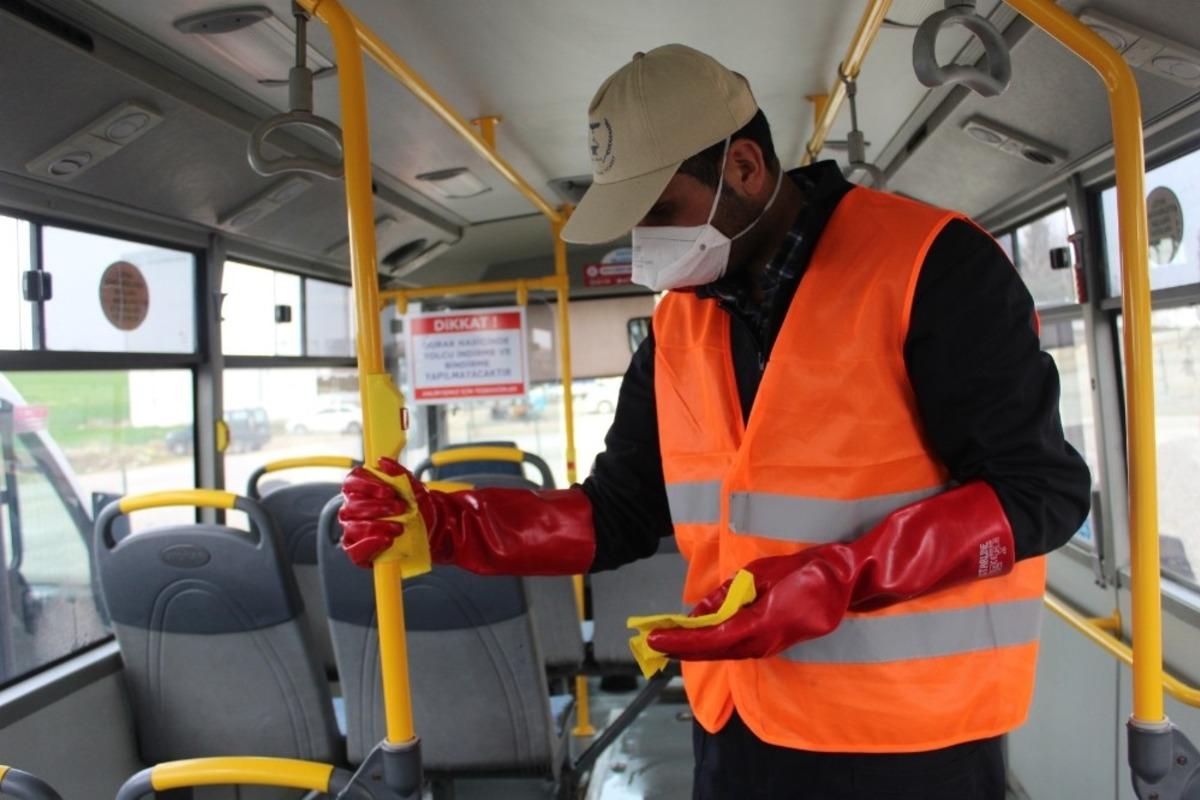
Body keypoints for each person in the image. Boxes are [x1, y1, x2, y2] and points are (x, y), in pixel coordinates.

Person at [339, 44, 1091, 800]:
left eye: (660, 212)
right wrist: (453, 525)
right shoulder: (677, 326)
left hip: (911, 742)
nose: (645, 246)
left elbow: (1039, 493)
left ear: (744, 168)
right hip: (736, 724)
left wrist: (842, 577)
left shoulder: (930, 265)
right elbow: (621, 510)